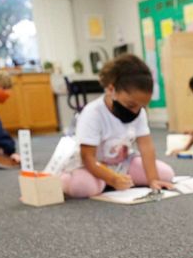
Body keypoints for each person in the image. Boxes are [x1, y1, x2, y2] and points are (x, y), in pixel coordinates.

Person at [60, 54, 174, 198]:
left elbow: (146, 147)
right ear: (111, 90)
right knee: (82, 187)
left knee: (166, 175)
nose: (136, 111)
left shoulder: (139, 112)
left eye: (142, 106)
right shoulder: (93, 113)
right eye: (131, 105)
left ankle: (111, 182)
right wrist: (111, 178)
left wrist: (153, 179)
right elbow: (88, 157)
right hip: (92, 166)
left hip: (122, 164)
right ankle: (65, 178)